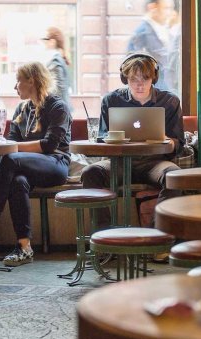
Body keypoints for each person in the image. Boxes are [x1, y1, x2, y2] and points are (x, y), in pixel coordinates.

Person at [81, 52, 184, 228]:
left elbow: (179, 143)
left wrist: (168, 141)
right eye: (133, 79)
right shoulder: (111, 100)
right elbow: (102, 138)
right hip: (119, 162)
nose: (139, 84)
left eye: (145, 78)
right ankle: (104, 236)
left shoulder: (170, 101)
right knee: (91, 173)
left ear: (154, 78)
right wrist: (113, 139)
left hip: (154, 163)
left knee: (174, 175)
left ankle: (156, 234)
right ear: (124, 78)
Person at [0, 62, 72, 266]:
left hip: (56, 164)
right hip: (26, 167)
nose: (15, 87)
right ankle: (24, 247)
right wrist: (13, 147)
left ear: (31, 81)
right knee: (18, 181)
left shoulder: (57, 106)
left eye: (18, 81)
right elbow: (11, 142)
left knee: (10, 159)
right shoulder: (22, 109)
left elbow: (48, 145)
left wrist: (15, 148)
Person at [127, 0, 180, 95]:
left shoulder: (162, 30)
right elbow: (133, 69)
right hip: (155, 94)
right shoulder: (142, 34)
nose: (171, 12)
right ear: (153, 8)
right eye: (166, 8)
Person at [42, 26, 72, 109]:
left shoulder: (55, 61)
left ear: (52, 42)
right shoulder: (60, 59)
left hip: (57, 112)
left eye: (45, 40)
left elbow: (57, 90)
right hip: (60, 110)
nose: (43, 43)